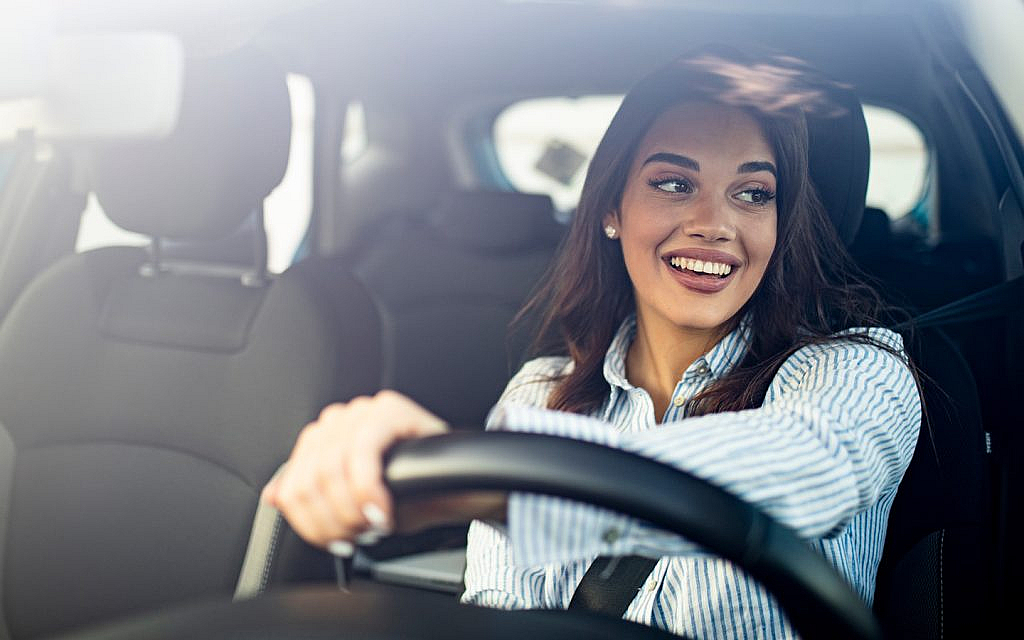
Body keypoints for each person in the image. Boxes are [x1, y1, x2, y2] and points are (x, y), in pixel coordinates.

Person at [261, 49, 922, 638]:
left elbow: (814, 465)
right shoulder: (543, 392)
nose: (714, 224)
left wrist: (504, 488)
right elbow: (500, 614)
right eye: (674, 183)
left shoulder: (858, 370)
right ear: (612, 209)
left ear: (781, 226)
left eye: (753, 194)